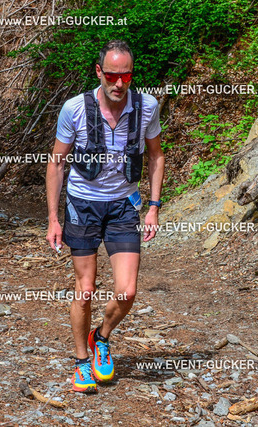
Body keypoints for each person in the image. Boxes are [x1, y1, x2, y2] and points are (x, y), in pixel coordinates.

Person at [45, 40, 165, 393]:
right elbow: (57, 163)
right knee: (85, 290)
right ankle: (82, 362)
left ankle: (101, 337)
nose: (119, 83)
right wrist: (53, 218)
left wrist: (154, 207)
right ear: (99, 72)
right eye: (111, 75)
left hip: (123, 205)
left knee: (127, 292)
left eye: (126, 75)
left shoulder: (146, 106)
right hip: (83, 204)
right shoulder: (74, 109)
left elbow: (156, 156)